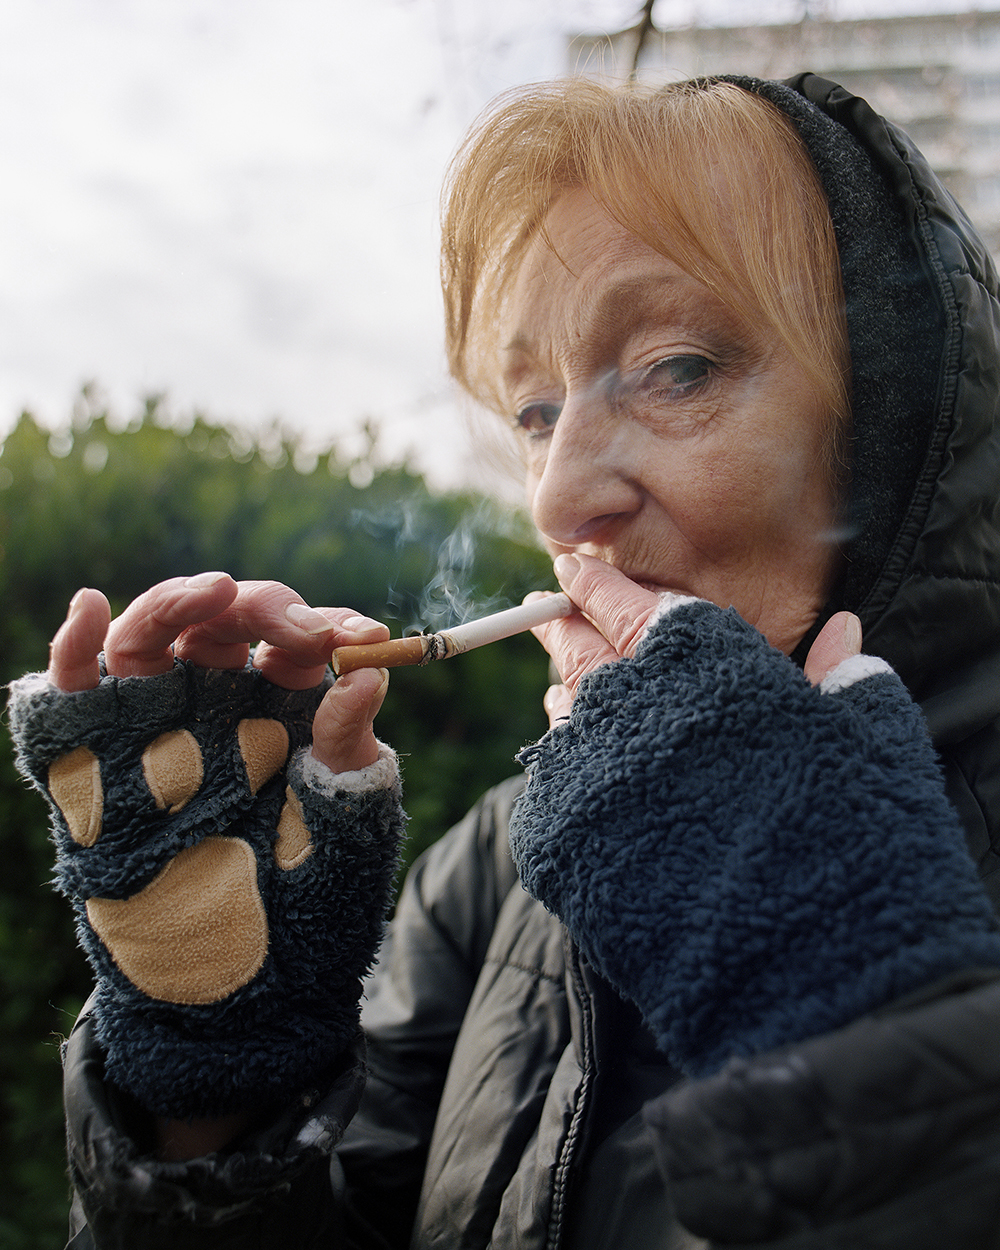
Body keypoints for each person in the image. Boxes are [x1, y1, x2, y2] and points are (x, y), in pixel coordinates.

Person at [9, 71, 1000, 1249]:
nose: (563, 494)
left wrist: (853, 1021)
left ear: (889, 420)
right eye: (534, 410)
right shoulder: (499, 861)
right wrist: (211, 1102)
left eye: (676, 366)